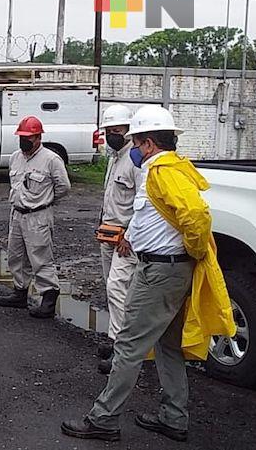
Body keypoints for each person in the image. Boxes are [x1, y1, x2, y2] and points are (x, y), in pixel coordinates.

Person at [61, 106, 236, 443]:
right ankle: (174, 417)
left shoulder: (163, 172)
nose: (135, 151)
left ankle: (104, 419)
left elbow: (196, 215)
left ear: (150, 143)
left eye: (137, 143)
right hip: (166, 269)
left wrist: (196, 250)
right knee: (168, 345)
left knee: (128, 345)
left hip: (160, 272)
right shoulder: (167, 170)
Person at [0, 116, 71, 318]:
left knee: (41, 257)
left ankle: (48, 296)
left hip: (38, 215)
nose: (23, 141)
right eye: (21, 137)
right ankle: (20, 292)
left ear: (38, 137)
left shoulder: (51, 159)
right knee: (15, 255)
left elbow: (63, 187)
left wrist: (45, 201)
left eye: (28, 137)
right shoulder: (15, 157)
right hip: (17, 214)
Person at [95, 105, 139, 374]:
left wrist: (130, 237)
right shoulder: (114, 157)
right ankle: (116, 340)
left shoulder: (135, 160)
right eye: (109, 131)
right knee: (111, 289)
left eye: (117, 130)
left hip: (126, 239)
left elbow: (143, 204)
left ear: (128, 130)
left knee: (118, 289)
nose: (112, 135)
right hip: (108, 234)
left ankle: (121, 350)